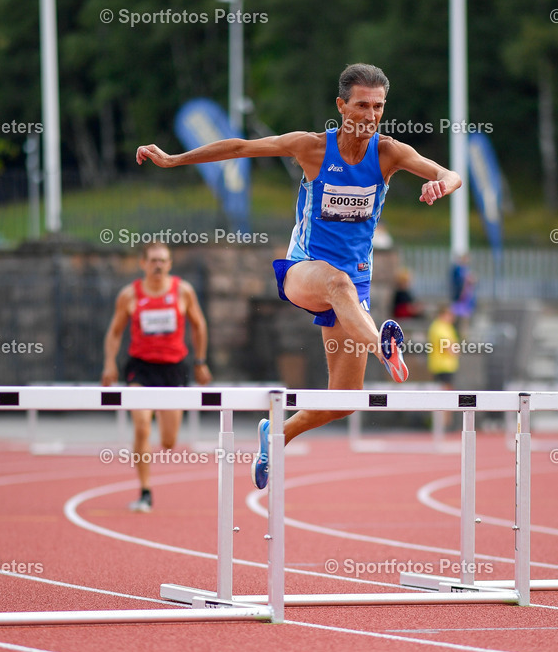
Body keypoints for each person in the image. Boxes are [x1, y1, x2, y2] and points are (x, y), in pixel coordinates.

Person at [136, 63, 461, 489]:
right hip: (303, 272)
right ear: (341, 105)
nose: (370, 115)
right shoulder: (310, 148)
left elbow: (447, 172)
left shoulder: (389, 153)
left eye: (378, 106)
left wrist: (443, 185)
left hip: (352, 287)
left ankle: (278, 433)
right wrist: (176, 158)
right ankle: (386, 352)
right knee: (335, 281)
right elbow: (240, 148)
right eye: (361, 105)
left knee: (343, 402)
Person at [102, 242, 213, 512]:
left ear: (170, 264)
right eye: (153, 260)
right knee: (141, 426)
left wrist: (200, 362)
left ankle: (149, 480)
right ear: (143, 264)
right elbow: (115, 332)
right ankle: (145, 491)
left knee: (168, 440)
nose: (158, 265)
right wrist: (109, 364)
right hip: (140, 368)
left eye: (163, 260)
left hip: (173, 368)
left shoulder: (183, 291)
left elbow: (199, 326)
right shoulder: (129, 295)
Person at [427, 304, 460, 390]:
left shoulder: (447, 326)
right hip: (442, 365)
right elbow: (447, 346)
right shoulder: (439, 327)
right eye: (450, 314)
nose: (452, 317)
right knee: (445, 390)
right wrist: (454, 351)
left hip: (447, 365)